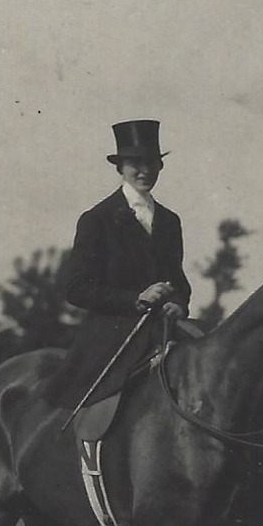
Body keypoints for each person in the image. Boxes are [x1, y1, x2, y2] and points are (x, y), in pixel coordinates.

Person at [47, 119, 190, 412]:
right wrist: (135, 299)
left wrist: (179, 303)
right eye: (136, 163)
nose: (145, 171)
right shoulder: (97, 219)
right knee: (97, 409)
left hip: (164, 329)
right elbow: (76, 289)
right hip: (113, 334)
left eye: (151, 163)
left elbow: (179, 280)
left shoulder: (169, 220)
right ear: (120, 167)